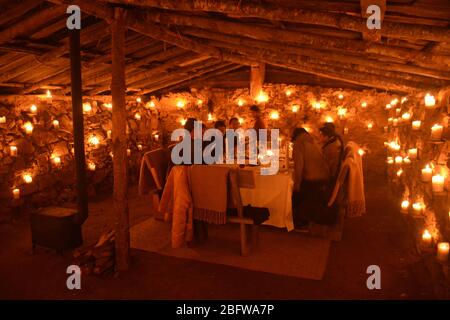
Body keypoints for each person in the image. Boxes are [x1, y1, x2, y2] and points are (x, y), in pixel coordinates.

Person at [291, 127, 337, 228]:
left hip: (314, 182)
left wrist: (296, 186)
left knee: (293, 191)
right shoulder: (312, 140)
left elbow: (299, 167)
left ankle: (298, 220)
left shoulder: (298, 143)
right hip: (324, 178)